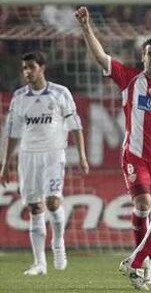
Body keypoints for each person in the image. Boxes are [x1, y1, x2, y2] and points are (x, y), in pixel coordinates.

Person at [75, 7, 151, 265]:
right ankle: (142, 263)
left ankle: (144, 258)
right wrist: (85, 27)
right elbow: (101, 56)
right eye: (150, 54)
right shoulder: (129, 79)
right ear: (143, 57)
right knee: (143, 205)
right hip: (135, 157)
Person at [0, 51, 89, 276]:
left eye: (31, 67)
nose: (27, 72)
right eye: (24, 68)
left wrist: (82, 156)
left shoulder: (60, 93)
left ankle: (58, 243)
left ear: (42, 67)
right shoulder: (19, 97)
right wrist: (4, 164)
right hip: (28, 156)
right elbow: (13, 133)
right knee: (34, 208)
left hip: (53, 155)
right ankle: (39, 263)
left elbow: (75, 126)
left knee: (51, 202)